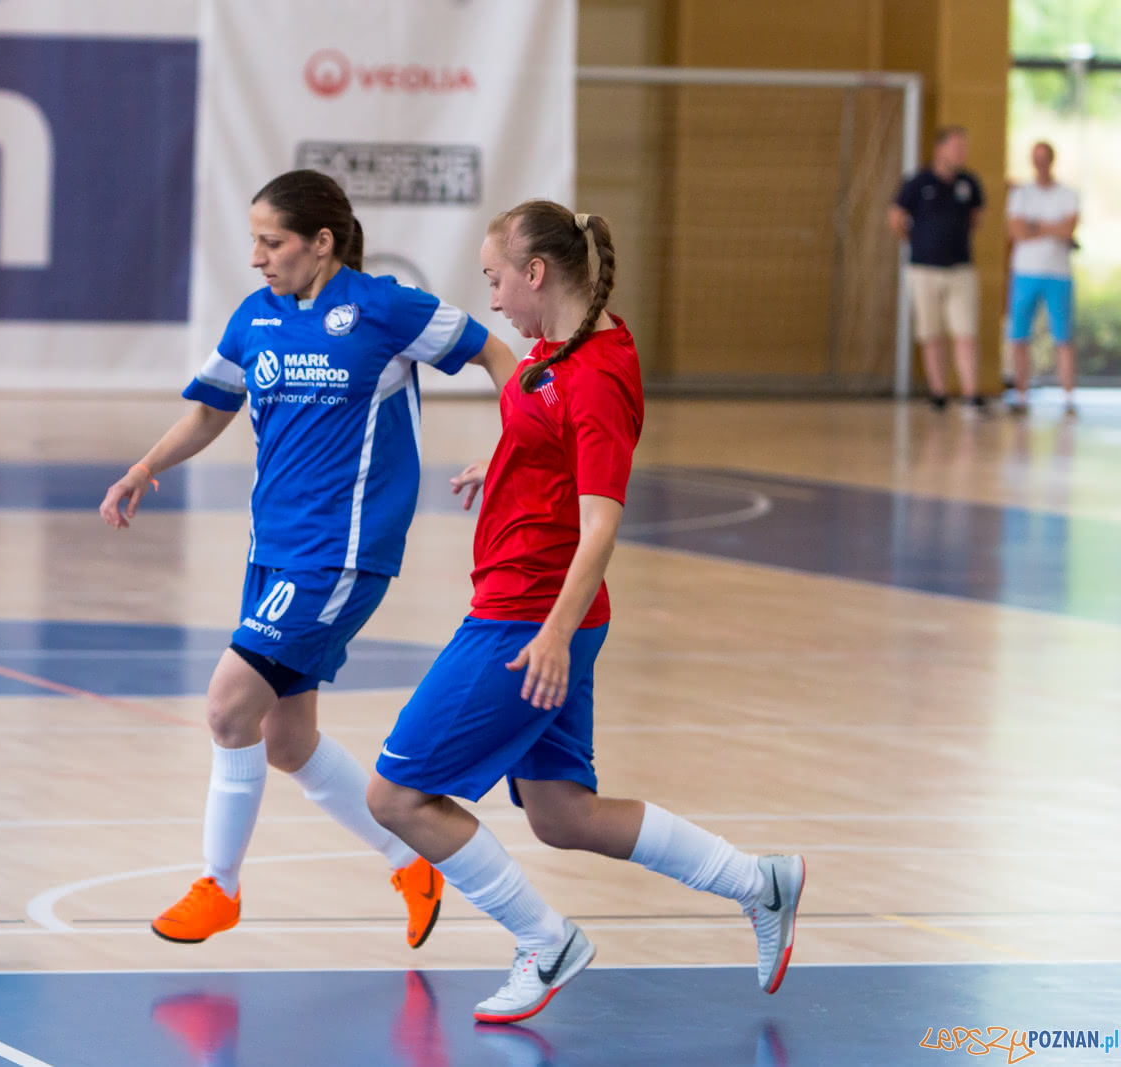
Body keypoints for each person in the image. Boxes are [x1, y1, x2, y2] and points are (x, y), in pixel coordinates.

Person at [365, 201, 805, 1025]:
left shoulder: (598, 375)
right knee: (564, 814)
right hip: (538, 610)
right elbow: (544, 418)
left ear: (536, 273)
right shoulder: (560, 351)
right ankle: (761, 881)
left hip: (527, 618)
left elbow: (602, 519)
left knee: (395, 796)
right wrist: (502, 457)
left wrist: (555, 635)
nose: (491, 299)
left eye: (496, 279)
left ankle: (545, 939)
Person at [99, 169, 517, 949]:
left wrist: (508, 446)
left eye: (272, 241)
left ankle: (219, 887)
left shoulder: (387, 308)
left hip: (340, 556)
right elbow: (209, 410)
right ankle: (409, 857)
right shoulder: (254, 319)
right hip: (274, 552)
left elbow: (500, 356)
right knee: (287, 740)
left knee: (228, 705)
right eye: (252, 240)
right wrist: (144, 466)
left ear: (321, 242)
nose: (257, 257)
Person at [889, 126, 986, 410]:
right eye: (956, 147)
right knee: (931, 333)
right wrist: (919, 241)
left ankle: (970, 392)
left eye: (964, 148)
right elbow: (896, 218)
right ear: (940, 149)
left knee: (965, 331)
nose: (961, 153)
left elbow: (976, 218)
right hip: (924, 269)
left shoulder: (969, 182)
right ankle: (939, 391)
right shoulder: (918, 182)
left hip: (960, 268)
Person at [1005, 141, 1081, 415]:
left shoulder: (1067, 194)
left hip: (1058, 274)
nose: (1041, 163)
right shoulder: (1021, 194)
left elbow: (1068, 229)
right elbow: (1017, 231)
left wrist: (1035, 225)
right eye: (1036, 158)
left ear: (1052, 160)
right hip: (1025, 272)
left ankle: (1069, 397)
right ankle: (1021, 394)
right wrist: (1053, 227)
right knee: (1019, 335)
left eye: (1044, 158)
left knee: (1063, 336)